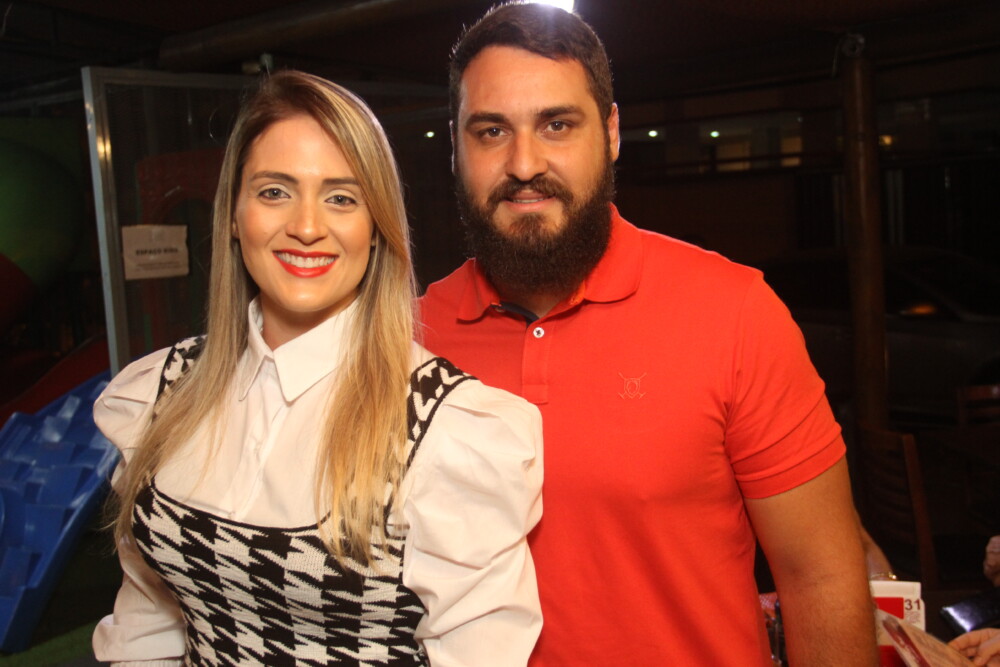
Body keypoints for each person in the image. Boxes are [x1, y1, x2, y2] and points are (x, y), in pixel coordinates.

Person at [419, 3, 877, 665]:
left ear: (610, 132)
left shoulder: (733, 313)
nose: (523, 163)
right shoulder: (409, 335)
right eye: (491, 131)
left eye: (556, 124)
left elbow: (821, 577)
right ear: (456, 147)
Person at [92, 70, 543, 665]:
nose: (306, 227)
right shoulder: (160, 391)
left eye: (341, 198)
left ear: (375, 229)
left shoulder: (446, 428)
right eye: (274, 192)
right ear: (233, 216)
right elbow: (146, 625)